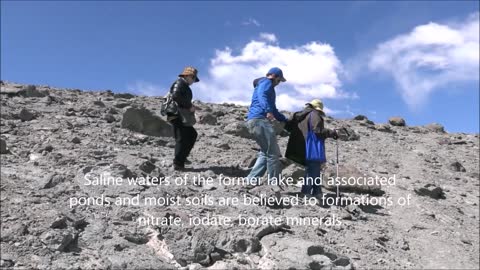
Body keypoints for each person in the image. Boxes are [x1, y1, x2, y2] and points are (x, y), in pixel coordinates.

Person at [284, 99, 338, 199]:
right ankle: (306, 192)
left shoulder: (303, 115)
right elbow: (317, 130)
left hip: (302, 144)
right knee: (313, 168)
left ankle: (317, 192)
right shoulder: (314, 114)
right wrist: (332, 132)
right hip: (312, 146)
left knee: (315, 169)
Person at [245, 67, 288, 188]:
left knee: (266, 152)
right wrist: (268, 111)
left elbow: (273, 109)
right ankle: (273, 185)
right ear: (275, 77)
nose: (279, 83)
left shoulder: (267, 86)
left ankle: (250, 181)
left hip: (254, 120)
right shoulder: (266, 82)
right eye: (279, 80)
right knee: (273, 153)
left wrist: (284, 119)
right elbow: (262, 96)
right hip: (260, 120)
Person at [167, 66, 199, 171]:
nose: (193, 81)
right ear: (187, 75)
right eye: (193, 78)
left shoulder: (184, 85)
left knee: (191, 135)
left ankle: (182, 158)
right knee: (182, 137)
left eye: (194, 78)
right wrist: (189, 106)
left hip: (179, 115)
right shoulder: (179, 83)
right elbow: (176, 95)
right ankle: (178, 163)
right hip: (176, 114)